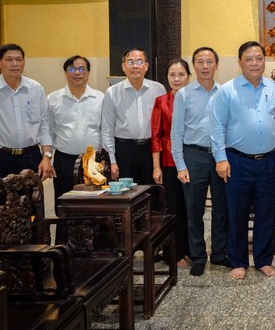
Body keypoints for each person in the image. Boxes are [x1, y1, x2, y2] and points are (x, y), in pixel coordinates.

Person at [210, 41, 275, 280]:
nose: (254, 63)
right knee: (237, 213)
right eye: (249, 59)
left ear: (264, 61)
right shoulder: (227, 90)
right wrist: (220, 159)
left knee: (267, 212)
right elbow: (217, 127)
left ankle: (263, 260)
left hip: (269, 160)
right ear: (240, 62)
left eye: (259, 58)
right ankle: (238, 261)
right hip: (237, 161)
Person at [171, 47, 230, 276]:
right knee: (194, 209)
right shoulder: (184, 95)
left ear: (216, 65)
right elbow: (177, 132)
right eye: (200, 62)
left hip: (220, 155)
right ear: (194, 65)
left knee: (221, 208)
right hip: (193, 155)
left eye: (209, 61)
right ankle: (197, 256)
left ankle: (219, 253)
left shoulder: (225, 93)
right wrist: (180, 165)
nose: (205, 66)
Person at [0, 43, 54, 181]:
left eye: (19, 59)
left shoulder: (36, 88)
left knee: (33, 195)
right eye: (9, 59)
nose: (15, 64)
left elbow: (45, 125)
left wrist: (47, 157)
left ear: (24, 62)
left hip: (31, 156)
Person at [101, 48, 166, 185]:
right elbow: (107, 129)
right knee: (125, 193)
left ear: (146, 66)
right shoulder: (112, 93)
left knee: (151, 192)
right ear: (123, 66)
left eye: (139, 62)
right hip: (124, 151)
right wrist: (112, 160)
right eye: (130, 62)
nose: (135, 66)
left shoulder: (158, 89)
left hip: (150, 151)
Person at [48, 55, 104, 210]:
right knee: (64, 204)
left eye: (81, 69)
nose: (77, 73)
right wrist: (48, 159)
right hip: (64, 160)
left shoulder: (100, 98)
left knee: (94, 205)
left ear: (88, 72)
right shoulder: (53, 98)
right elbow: (48, 130)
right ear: (65, 73)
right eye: (72, 69)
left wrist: (106, 158)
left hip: (93, 161)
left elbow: (105, 130)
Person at [151, 58, 192, 267]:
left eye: (181, 74)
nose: (177, 79)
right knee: (173, 207)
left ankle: (191, 251)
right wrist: (156, 166)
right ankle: (174, 254)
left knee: (191, 208)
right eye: (172, 75)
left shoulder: (194, 98)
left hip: (192, 160)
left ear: (189, 77)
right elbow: (156, 136)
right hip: (168, 161)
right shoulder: (161, 101)